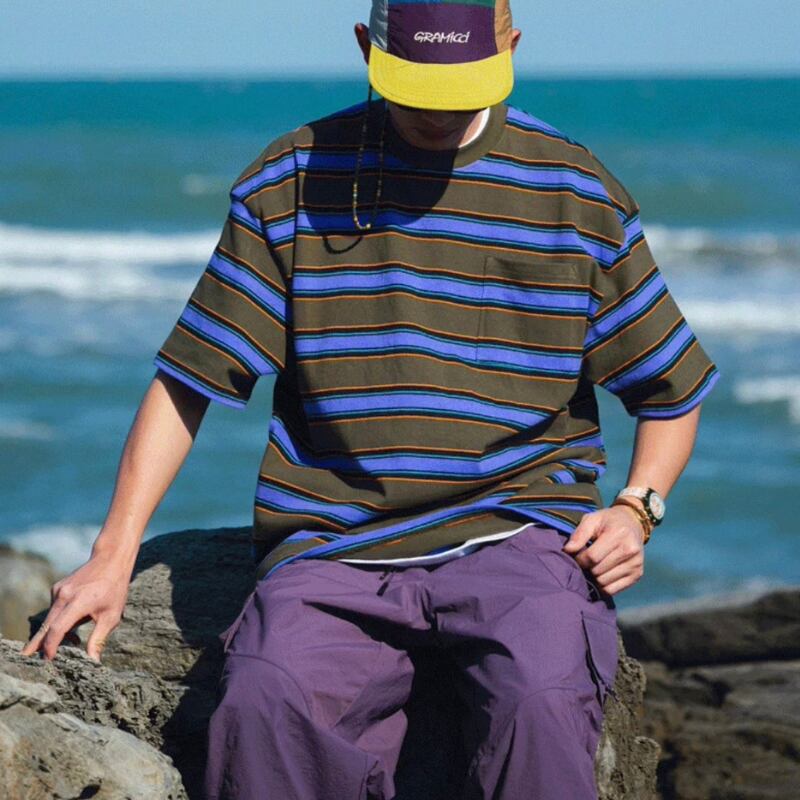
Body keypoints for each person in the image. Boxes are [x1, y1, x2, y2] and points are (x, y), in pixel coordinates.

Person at [23, 1, 721, 798]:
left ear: (512, 48)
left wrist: (637, 508)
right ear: (365, 48)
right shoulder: (291, 179)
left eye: (460, 88)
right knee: (265, 704)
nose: (439, 112)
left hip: (520, 530)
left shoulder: (574, 189)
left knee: (539, 703)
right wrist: (113, 555)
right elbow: (191, 378)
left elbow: (670, 386)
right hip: (333, 545)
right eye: (417, 88)